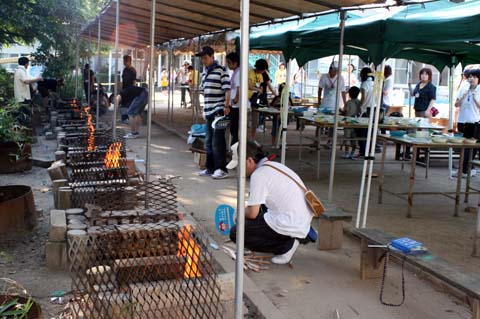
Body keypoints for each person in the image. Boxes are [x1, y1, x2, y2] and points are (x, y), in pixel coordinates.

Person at [228, 142, 314, 264]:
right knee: (255, 213)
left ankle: (286, 247)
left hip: (292, 222)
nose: (238, 170)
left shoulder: (259, 175)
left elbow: (252, 213)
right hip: (301, 220)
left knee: (236, 232)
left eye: (239, 166)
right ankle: (288, 239)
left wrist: (238, 212)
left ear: (249, 161)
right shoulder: (274, 165)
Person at [196, 46, 231, 179]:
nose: (203, 61)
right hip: (208, 111)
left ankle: (221, 169)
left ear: (212, 57)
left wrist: (226, 105)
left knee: (218, 140)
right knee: (209, 140)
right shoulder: (204, 72)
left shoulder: (221, 71)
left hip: (218, 110)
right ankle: (210, 168)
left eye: (205, 58)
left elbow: (227, 89)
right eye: (202, 58)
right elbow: (203, 90)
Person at [454, 69, 480, 177]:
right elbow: (456, 105)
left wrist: (474, 99)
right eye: (469, 76)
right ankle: (464, 170)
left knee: (470, 148)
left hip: (474, 122)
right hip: (462, 121)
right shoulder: (464, 88)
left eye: (474, 76)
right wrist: (463, 97)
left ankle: (466, 170)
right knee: (463, 147)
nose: (471, 78)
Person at [248, 59, 277, 140]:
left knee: (256, 118)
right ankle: (249, 137)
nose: (263, 71)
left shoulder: (263, 74)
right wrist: (258, 90)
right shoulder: (251, 73)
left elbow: (267, 85)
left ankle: (253, 136)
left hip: (259, 99)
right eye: (262, 70)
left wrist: (275, 94)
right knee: (251, 118)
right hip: (250, 99)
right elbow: (249, 85)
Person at [356, 67, 375, 159]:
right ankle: (369, 151)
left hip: (365, 110)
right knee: (370, 132)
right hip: (374, 109)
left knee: (361, 133)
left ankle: (363, 151)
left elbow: (363, 98)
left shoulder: (364, 84)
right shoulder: (375, 83)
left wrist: (359, 106)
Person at [342, 86, 361, 159]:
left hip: (348, 123)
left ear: (349, 94)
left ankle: (347, 153)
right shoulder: (359, 102)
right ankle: (352, 153)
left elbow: (346, 112)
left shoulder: (348, 102)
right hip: (356, 123)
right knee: (354, 139)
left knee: (347, 138)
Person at [226, 52, 240, 146]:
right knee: (233, 127)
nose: (228, 64)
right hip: (234, 103)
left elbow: (239, 87)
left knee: (234, 127)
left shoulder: (238, 73)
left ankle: (234, 147)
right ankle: (233, 147)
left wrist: (236, 98)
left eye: (229, 62)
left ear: (235, 63)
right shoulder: (235, 72)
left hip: (236, 104)